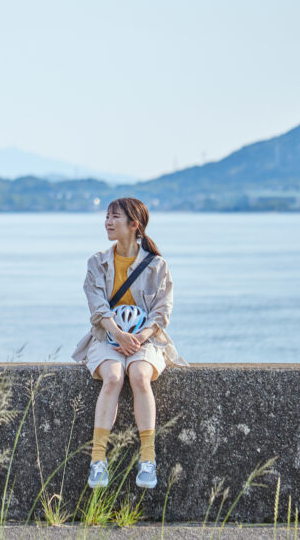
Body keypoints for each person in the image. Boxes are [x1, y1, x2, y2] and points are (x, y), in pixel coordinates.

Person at [71, 197, 186, 490]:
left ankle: (148, 457)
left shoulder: (157, 265)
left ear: (134, 225)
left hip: (145, 338)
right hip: (106, 336)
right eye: (107, 217)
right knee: (113, 376)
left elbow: (162, 311)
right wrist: (119, 335)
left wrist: (139, 338)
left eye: (115, 217)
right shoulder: (97, 263)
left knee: (139, 375)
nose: (108, 222)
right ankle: (98, 460)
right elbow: (97, 307)